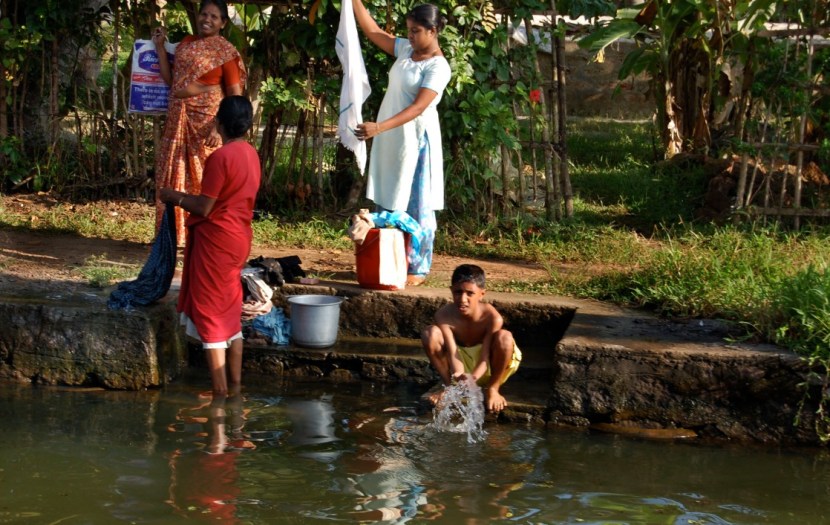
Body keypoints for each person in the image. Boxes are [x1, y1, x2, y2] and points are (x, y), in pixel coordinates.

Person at [159, 95, 260, 396]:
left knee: (211, 315)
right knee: (230, 311)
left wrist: (172, 196)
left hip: (216, 240)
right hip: (239, 237)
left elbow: (204, 207)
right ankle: (236, 389)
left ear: (219, 122)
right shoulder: (251, 154)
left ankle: (220, 395)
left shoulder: (221, 157)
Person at [351, 0, 452, 287]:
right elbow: (372, 31)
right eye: (408, 30)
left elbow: (419, 107)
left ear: (433, 31)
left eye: (416, 31)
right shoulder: (407, 51)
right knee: (392, 197)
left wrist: (378, 127)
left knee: (418, 206)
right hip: (393, 139)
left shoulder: (438, 67)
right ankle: (394, 256)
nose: (410, 35)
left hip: (417, 142)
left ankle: (418, 267)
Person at [152, 0, 246, 246]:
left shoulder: (226, 52)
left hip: (207, 122)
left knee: (206, 174)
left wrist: (218, 126)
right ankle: (173, 234)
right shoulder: (186, 43)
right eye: (204, 14)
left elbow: (235, 95)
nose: (207, 19)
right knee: (174, 170)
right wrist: (160, 48)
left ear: (223, 23)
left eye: (214, 17)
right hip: (177, 116)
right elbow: (172, 81)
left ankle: (206, 232)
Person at [421, 264, 522, 412]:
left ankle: (493, 388)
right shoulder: (443, 315)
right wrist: (460, 376)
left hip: (488, 366)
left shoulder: (492, 317)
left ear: (482, 294)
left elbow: (484, 358)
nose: (463, 299)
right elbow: (452, 351)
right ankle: (449, 387)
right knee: (430, 333)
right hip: (460, 365)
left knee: (505, 337)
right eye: (458, 292)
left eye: (470, 293)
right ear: (451, 290)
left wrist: (472, 378)